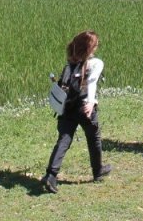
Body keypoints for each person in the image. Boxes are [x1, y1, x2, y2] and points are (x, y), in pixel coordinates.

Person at [42, 31, 111, 193]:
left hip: (67, 107)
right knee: (94, 137)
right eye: (95, 44)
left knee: (64, 140)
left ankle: (51, 175)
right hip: (84, 107)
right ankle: (97, 170)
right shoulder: (96, 63)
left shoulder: (69, 64)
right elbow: (92, 81)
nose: (97, 46)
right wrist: (90, 102)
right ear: (88, 48)